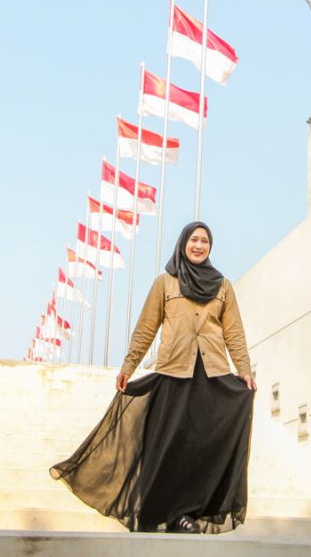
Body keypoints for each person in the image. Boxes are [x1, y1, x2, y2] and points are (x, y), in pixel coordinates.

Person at [51, 221, 256, 535]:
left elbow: (234, 333)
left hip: (212, 376)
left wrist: (244, 370)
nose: (199, 245)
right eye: (194, 239)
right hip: (174, 373)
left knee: (200, 447)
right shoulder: (165, 283)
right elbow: (147, 327)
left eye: (205, 241)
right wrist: (128, 366)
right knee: (170, 446)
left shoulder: (223, 286)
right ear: (183, 244)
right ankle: (164, 512)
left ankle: (188, 513)